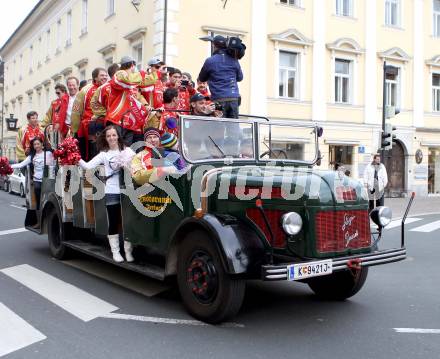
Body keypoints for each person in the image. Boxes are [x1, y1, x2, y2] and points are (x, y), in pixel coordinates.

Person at [78, 125, 135, 263]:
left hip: (127, 191)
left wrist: (126, 166)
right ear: (106, 138)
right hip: (111, 190)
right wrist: (74, 156)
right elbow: (88, 166)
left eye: (114, 135)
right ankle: (115, 252)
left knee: (128, 222)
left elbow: (137, 167)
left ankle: (128, 251)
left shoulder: (128, 151)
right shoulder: (104, 154)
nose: (111, 138)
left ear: (118, 136)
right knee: (114, 221)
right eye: (108, 136)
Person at [105, 56, 158, 146]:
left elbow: (149, 82)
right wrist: (141, 73)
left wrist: (154, 71)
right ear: (132, 65)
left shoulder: (134, 79)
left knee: (127, 151)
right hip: (117, 119)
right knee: (116, 149)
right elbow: (128, 80)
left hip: (130, 121)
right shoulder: (120, 74)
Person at [198, 35, 243, 119]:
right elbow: (240, 78)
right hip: (233, 99)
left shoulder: (210, 61)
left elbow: (202, 78)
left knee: (219, 128)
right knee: (233, 128)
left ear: (214, 46)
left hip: (218, 99)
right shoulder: (234, 60)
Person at [71, 67, 109, 160]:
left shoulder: (109, 87)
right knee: (94, 153)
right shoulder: (85, 90)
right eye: (102, 75)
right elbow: (76, 111)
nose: (104, 77)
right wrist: (74, 130)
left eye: (106, 75)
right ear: (95, 77)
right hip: (91, 126)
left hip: (108, 124)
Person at [12, 137, 54, 211]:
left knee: (48, 196)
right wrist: (8, 166)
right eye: (35, 144)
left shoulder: (49, 153)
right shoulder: (32, 156)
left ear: (42, 144)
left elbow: (55, 162)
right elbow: (21, 164)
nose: (36, 146)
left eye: (38, 144)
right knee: (37, 191)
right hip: (37, 180)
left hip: (48, 179)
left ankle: (47, 209)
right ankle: (38, 210)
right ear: (33, 146)